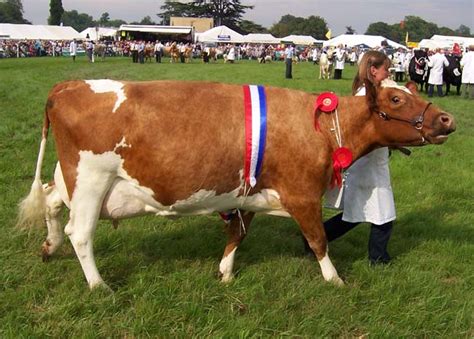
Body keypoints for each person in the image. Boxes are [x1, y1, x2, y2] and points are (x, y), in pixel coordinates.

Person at [303, 50, 394, 265]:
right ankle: (378, 258)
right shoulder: (366, 96)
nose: (389, 73)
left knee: (357, 214)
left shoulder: (371, 91)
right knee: (381, 215)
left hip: (371, 160)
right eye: (386, 69)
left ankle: (313, 239)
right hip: (367, 161)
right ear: (374, 70)